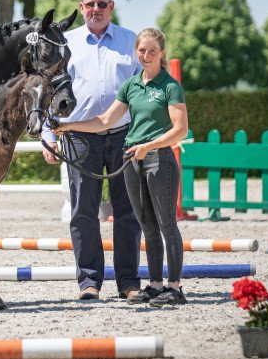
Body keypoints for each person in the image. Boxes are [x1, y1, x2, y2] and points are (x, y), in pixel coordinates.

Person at [54, 27, 189, 307]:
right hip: (132, 160)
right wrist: (68, 126)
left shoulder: (170, 86)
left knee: (167, 224)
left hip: (159, 159)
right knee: (147, 226)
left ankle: (174, 286)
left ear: (162, 53)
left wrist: (149, 147)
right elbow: (104, 120)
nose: (146, 55)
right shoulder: (131, 85)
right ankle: (153, 285)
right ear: (136, 52)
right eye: (142, 50)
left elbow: (181, 130)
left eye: (152, 50)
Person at [41, 0, 142, 302]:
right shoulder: (66, 43)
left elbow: (145, 89)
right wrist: (48, 134)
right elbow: (49, 87)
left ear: (111, 7)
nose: (95, 10)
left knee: (127, 211)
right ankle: (89, 282)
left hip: (125, 135)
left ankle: (128, 281)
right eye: (90, 4)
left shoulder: (131, 42)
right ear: (81, 8)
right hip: (79, 135)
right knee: (83, 211)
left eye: (102, 4)